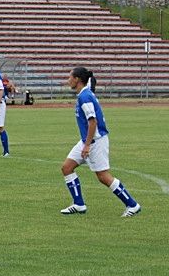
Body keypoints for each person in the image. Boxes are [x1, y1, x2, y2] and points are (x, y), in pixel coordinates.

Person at [60, 67, 141, 217]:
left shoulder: (85, 97)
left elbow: (93, 122)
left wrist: (87, 145)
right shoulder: (84, 93)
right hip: (88, 140)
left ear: (77, 79)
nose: (68, 80)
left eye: (70, 77)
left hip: (95, 141)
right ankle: (79, 204)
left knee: (103, 176)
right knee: (67, 167)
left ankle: (132, 205)